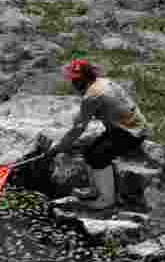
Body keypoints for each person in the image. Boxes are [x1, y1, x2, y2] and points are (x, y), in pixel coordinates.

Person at [44, 59, 151, 209]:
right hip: (129, 126)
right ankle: (95, 190)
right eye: (73, 80)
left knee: (98, 157)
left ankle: (106, 200)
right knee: (89, 152)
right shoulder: (103, 82)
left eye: (76, 80)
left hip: (131, 133)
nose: (73, 84)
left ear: (84, 79)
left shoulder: (92, 96)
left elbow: (79, 128)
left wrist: (60, 146)